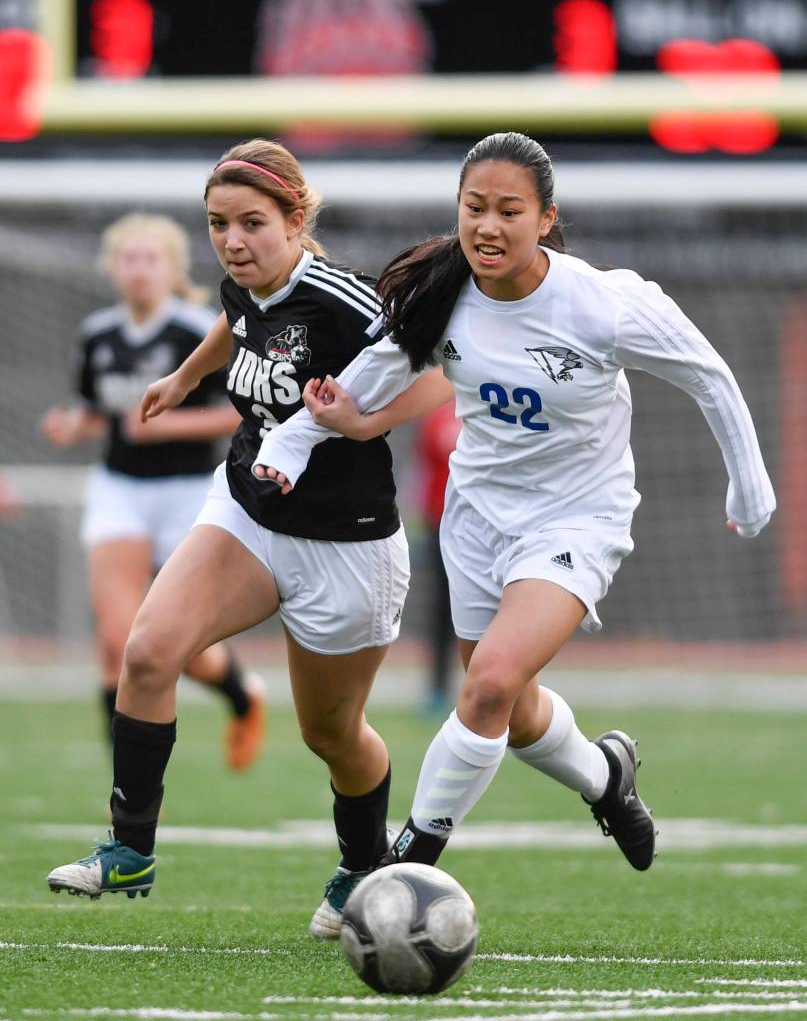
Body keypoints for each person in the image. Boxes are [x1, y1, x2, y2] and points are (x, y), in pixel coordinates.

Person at [250, 131, 776, 917]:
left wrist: (748, 485)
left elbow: (708, 374)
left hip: (576, 519)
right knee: (506, 702)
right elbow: (365, 385)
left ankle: (399, 868)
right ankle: (606, 779)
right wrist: (295, 438)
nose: (487, 226)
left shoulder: (602, 301)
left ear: (545, 218)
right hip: (475, 519)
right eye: (473, 208)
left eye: (507, 211)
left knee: (488, 684)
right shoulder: (438, 298)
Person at [45, 141, 423, 942]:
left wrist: (368, 418)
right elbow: (238, 319)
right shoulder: (244, 280)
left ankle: (364, 863)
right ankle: (129, 848)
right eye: (218, 224)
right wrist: (183, 378)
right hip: (248, 510)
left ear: (297, 218)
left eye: (252, 223)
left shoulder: (342, 298)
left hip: (347, 546)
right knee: (147, 652)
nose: (233, 241)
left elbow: (436, 366)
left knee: (332, 734)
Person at [40, 212, 266, 769]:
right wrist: (75, 423)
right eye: (128, 259)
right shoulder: (98, 335)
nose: (138, 270)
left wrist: (170, 425)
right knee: (118, 645)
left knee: (178, 647)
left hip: (190, 493)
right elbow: (98, 412)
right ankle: (128, 797)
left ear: (172, 268)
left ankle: (243, 696)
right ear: (112, 268)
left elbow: (241, 413)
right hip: (120, 489)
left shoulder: (197, 331)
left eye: (150, 258)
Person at [413, 400, 461, 714]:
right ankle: (438, 690)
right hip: (440, 525)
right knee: (443, 612)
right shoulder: (437, 417)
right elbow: (422, 472)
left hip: (487, 524)